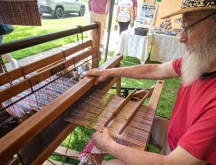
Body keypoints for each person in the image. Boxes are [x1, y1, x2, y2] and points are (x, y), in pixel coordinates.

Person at [86, 0, 216, 164]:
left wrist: (109, 146)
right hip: (175, 137)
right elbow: (154, 70)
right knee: (127, 123)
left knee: (110, 164)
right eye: (181, 26)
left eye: (189, 28)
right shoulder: (201, 62)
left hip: (180, 157)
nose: (181, 38)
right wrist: (109, 72)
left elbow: (171, 163)